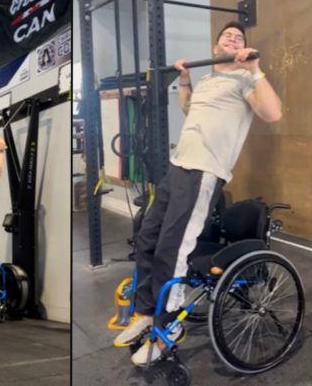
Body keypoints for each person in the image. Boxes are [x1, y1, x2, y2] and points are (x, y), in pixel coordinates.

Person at [114, 21, 283, 365]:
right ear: (217, 46)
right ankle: (146, 312)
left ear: (242, 49)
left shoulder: (244, 81)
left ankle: (168, 328)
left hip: (204, 170)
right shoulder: (208, 80)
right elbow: (190, 109)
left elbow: (273, 113)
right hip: (178, 167)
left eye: (239, 37)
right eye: (228, 36)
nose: (233, 39)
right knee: (146, 238)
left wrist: (255, 69)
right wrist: (186, 81)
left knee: (172, 250)